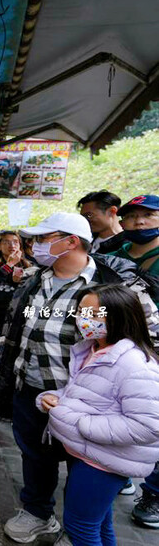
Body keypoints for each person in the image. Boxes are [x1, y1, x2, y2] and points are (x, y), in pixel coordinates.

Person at [0, 213, 159, 543]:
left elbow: (150, 337)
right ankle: (38, 512)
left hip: (89, 399)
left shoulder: (115, 281)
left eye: (44, 238)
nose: (36, 246)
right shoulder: (34, 278)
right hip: (30, 387)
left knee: (86, 464)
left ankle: (81, 526)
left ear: (71, 241)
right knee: (34, 456)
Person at [37, 284, 159, 545]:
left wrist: (82, 424)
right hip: (92, 454)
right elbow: (91, 395)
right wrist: (54, 399)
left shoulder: (133, 363)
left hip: (103, 462)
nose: (84, 319)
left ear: (119, 316)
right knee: (99, 524)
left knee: (80, 527)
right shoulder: (93, 349)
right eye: (81, 312)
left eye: (94, 314)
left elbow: (148, 425)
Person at [108, 195, 159, 524]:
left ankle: (154, 493)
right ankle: (120, 472)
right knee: (117, 411)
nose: (139, 222)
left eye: (148, 215)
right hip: (116, 352)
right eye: (133, 216)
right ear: (122, 220)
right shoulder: (112, 256)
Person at [0, 231, 34, 357]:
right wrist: (9, 265)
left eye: (15, 242)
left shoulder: (28, 266)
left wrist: (18, 282)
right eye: (6, 242)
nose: (12, 245)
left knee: (16, 358)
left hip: (19, 320)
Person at [110, 195, 159, 277]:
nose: (139, 221)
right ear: (121, 224)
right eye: (131, 216)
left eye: (148, 215)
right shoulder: (109, 260)